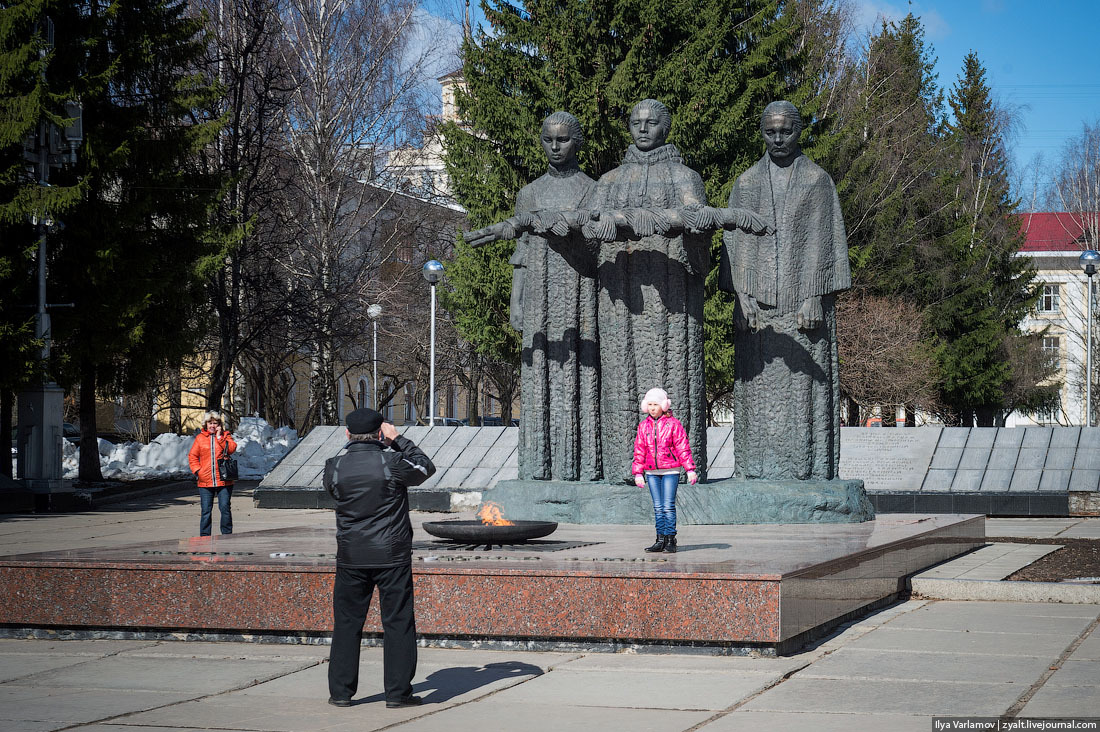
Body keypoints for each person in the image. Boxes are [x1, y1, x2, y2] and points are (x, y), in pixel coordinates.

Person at [465, 111, 601, 481]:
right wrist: (517, 300)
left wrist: (572, 232)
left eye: (563, 139)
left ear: (578, 142)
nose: (555, 147)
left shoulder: (593, 189)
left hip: (579, 291)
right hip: (539, 292)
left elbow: (599, 249)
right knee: (538, 372)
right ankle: (538, 467)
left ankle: (581, 467)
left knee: (579, 374)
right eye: (548, 139)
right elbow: (521, 254)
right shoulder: (530, 193)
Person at [718, 100, 851, 480]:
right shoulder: (745, 183)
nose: (778, 139)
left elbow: (827, 241)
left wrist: (816, 294)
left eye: (785, 131)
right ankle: (754, 471)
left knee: (804, 391)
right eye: (770, 131)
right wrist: (740, 296)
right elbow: (733, 245)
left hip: (804, 304)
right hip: (757, 308)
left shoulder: (817, 180)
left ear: (799, 131)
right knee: (757, 390)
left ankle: (808, 470)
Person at [323, 407, 436, 709]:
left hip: (351, 555)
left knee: (347, 623)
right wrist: (398, 440)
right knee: (398, 622)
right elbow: (426, 468)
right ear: (380, 433)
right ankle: (398, 694)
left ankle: (341, 692)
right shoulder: (392, 461)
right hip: (391, 555)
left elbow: (336, 493)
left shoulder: (333, 466)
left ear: (346, 434)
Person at [631, 388, 697, 553]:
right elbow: (639, 450)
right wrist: (638, 473)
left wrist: (690, 469)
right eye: (650, 404)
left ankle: (670, 539)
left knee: (667, 506)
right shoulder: (643, 426)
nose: (653, 408)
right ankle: (660, 539)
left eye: (656, 404)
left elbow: (682, 447)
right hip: (652, 472)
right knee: (658, 507)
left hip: (670, 471)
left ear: (664, 405)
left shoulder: (673, 424)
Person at [187, 411, 237, 536]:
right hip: (205, 481)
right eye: (210, 423)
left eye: (215, 423)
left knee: (225, 508)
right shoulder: (200, 438)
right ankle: (204, 536)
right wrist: (198, 471)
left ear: (219, 424)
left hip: (224, 480)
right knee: (206, 511)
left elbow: (231, 449)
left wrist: (220, 437)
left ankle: (227, 535)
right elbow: (192, 456)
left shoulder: (225, 436)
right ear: (206, 424)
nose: (213, 426)